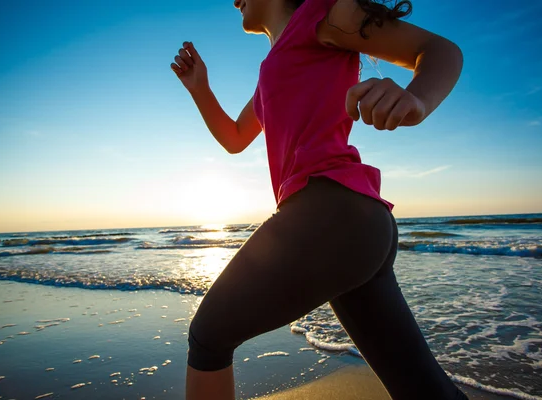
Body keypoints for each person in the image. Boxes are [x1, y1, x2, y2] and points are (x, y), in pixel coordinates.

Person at [171, 0, 464, 398]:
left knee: (207, 336)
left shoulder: (322, 14)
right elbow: (235, 138)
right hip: (350, 226)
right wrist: (200, 88)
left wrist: (418, 99)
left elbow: (441, 51)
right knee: (422, 391)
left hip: (330, 209)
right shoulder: (272, 68)